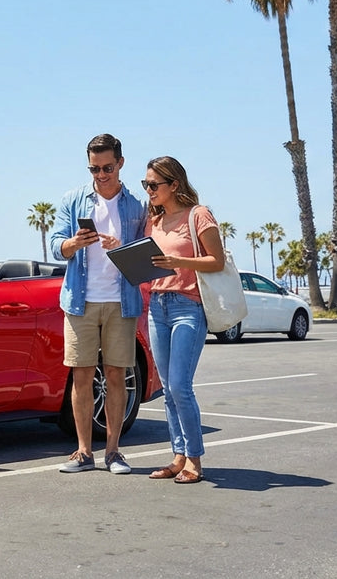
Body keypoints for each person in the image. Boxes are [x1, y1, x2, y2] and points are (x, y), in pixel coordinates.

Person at [49, 134, 148, 474]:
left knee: (117, 374)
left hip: (121, 301)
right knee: (82, 375)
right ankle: (83, 452)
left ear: (120, 163)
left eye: (108, 168)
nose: (101, 175)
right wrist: (75, 243)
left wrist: (122, 247)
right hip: (80, 301)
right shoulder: (73, 200)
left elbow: (147, 253)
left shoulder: (137, 206)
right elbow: (56, 246)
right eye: (94, 169)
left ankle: (113, 452)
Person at [141, 156, 226, 484]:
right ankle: (178, 457)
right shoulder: (154, 221)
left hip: (187, 307)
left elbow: (216, 261)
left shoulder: (198, 215)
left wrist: (178, 261)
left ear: (174, 184)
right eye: (146, 184)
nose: (149, 190)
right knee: (167, 389)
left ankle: (194, 460)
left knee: (180, 386)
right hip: (157, 306)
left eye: (153, 184)